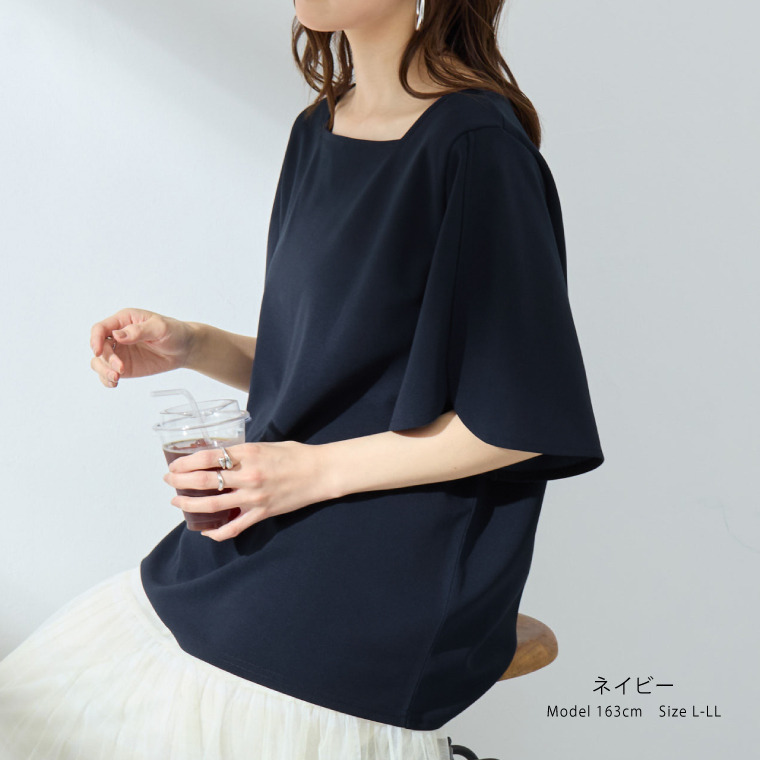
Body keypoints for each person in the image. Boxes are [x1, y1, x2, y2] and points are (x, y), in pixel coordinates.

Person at [0, 0, 605, 758]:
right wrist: (192, 344)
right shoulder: (318, 129)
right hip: (287, 514)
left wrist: (308, 472)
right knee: (59, 697)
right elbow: (337, 367)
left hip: (397, 548)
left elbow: (520, 421)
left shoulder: (478, 147)